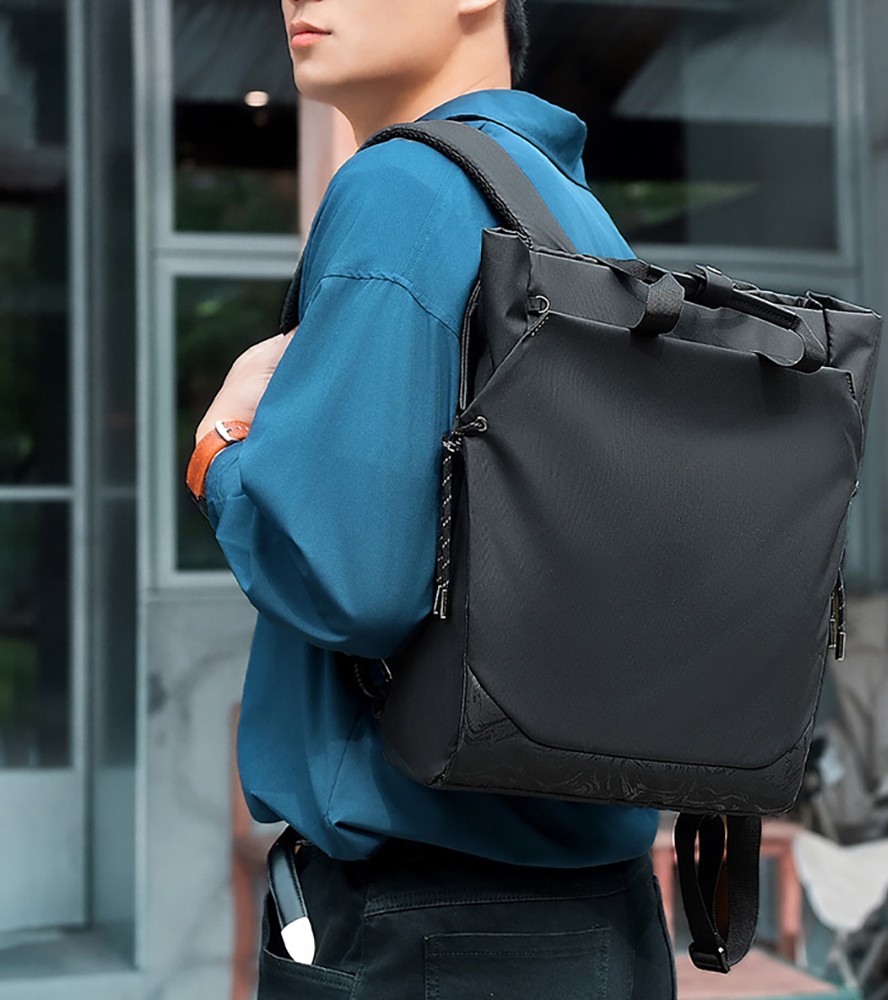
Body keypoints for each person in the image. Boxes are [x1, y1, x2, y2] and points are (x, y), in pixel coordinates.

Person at [186, 1, 675, 996]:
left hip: (423, 924)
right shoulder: (568, 208)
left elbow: (352, 580)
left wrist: (220, 452)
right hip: (603, 914)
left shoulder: (402, 185)